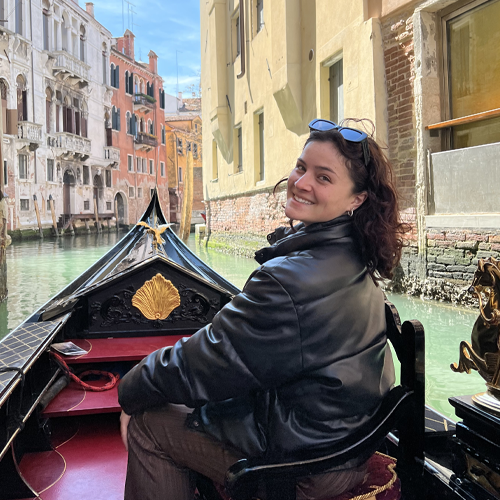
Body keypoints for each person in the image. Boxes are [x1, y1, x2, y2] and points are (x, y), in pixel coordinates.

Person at [118, 118, 407, 500]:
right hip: (340, 443)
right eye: (302, 168)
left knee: (148, 423)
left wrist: (129, 388)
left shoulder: (289, 280)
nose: (302, 182)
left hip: (306, 469)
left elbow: (202, 364)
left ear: (357, 199)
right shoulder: (354, 257)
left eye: (324, 178)